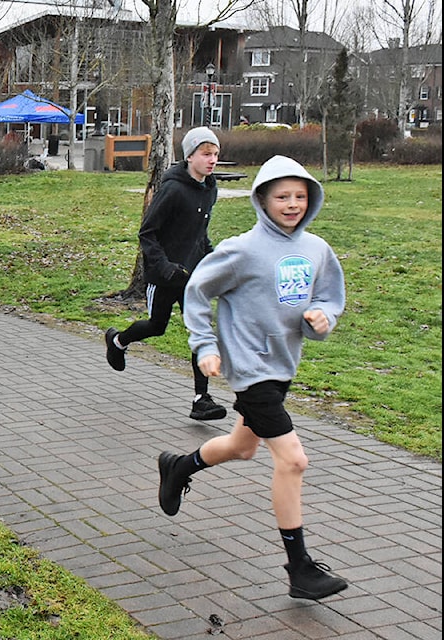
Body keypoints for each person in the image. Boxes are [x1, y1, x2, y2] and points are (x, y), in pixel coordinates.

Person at [158, 155, 347, 601]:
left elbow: (328, 294)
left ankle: (179, 466)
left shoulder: (317, 249)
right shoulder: (242, 249)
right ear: (262, 199)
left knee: (243, 448)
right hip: (249, 369)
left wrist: (323, 317)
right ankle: (299, 568)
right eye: (282, 196)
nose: (293, 204)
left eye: (300, 196)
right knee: (293, 460)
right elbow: (197, 290)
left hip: (283, 365)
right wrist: (204, 346)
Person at [104, 126, 226, 421]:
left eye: (216, 155)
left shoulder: (211, 188)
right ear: (190, 156)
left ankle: (201, 399)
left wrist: (210, 260)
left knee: (200, 332)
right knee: (157, 326)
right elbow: (147, 233)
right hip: (164, 275)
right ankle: (117, 341)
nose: (212, 161)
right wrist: (164, 267)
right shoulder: (172, 188)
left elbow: (199, 233)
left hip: (192, 276)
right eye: (206, 154)